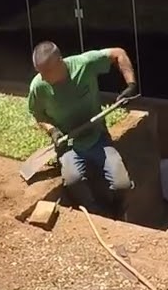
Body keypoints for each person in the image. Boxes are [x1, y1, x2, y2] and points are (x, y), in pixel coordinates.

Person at [27, 41, 138, 216]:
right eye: (40, 72)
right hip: (69, 145)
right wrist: (52, 130)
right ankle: (95, 212)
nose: (43, 77)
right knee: (74, 182)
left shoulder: (84, 64)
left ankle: (117, 213)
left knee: (122, 185)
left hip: (98, 137)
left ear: (60, 62)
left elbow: (118, 53)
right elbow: (37, 114)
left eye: (47, 72)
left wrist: (131, 85)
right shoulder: (38, 87)